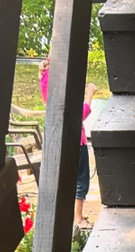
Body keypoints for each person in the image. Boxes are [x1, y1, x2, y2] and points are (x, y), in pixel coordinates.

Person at [39, 55, 98, 232]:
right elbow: (78, 113)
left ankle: (65, 218)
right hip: (76, 143)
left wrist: (44, 71)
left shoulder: (49, 85)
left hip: (57, 144)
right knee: (81, 180)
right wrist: (89, 96)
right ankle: (78, 219)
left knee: (63, 181)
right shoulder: (63, 89)